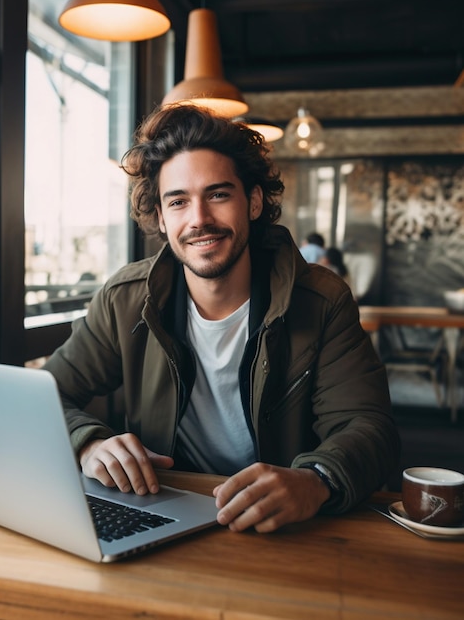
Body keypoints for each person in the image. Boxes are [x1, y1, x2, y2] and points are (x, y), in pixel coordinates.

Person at [44, 104, 399, 534]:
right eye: (178, 201)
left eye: (217, 194)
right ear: (160, 216)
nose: (199, 220)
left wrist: (316, 480)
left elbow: (369, 427)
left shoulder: (321, 301)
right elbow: (46, 396)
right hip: (164, 509)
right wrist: (89, 442)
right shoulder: (125, 299)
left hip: (284, 526)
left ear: (252, 202)